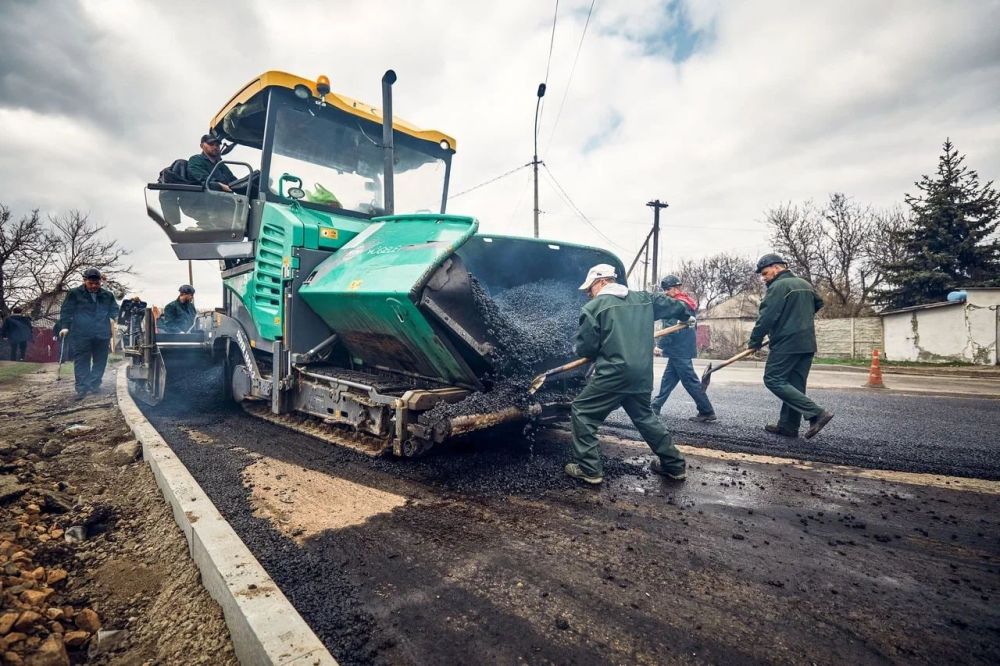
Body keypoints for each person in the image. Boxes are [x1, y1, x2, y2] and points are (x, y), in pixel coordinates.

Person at [565, 264, 691, 485]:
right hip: (642, 373)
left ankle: (589, 469)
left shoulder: (594, 308)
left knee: (582, 412)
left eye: (589, 288)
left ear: (602, 282)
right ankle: (674, 466)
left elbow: (586, 349)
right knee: (645, 417)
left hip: (613, 374)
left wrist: (585, 349)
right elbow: (676, 305)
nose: (588, 294)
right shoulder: (645, 299)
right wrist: (685, 317)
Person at [748, 253, 834, 439]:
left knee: (773, 379)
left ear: (777, 267)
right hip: (807, 342)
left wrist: (754, 342)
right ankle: (788, 426)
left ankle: (817, 413)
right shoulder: (805, 284)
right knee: (795, 384)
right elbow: (818, 304)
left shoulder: (779, 286)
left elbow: (766, 317)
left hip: (786, 342)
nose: (764, 278)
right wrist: (797, 317)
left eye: (765, 273)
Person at [650, 275, 716, 422]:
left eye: (668, 289)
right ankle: (655, 405)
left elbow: (671, 328)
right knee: (668, 379)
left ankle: (706, 411)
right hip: (683, 347)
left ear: (674, 288)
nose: (666, 293)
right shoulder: (688, 302)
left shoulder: (675, 304)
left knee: (690, 381)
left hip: (678, 348)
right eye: (665, 290)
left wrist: (660, 346)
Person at [57, 268, 119, 399]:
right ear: (84, 280)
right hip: (81, 333)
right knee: (82, 360)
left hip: (102, 333)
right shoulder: (74, 293)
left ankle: (94, 383)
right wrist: (65, 326)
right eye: (91, 283)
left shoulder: (107, 295)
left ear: (100, 282)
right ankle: (82, 388)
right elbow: (66, 311)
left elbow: (114, 310)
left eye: (97, 283)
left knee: (100, 360)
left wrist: (118, 320)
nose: (94, 286)